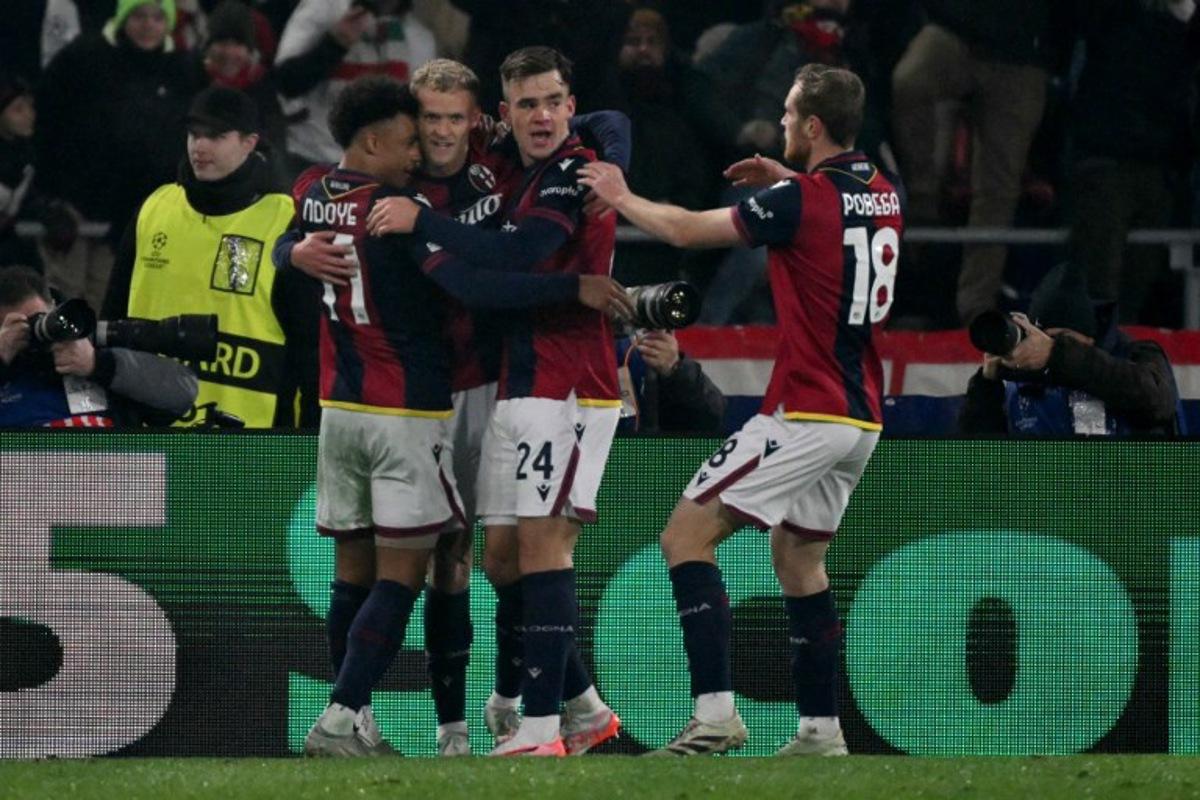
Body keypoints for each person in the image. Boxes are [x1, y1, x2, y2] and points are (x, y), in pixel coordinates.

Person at [277, 57, 631, 755]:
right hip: (424, 395)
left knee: (492, 557)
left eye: (452, 119)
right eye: (427, 120)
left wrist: (613, 166)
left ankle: (524, 708)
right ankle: (453, 729)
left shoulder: (492, 163)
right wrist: (293, 251)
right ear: (404, 124)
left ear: (479, 119)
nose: (437, 135)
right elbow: (472, 278)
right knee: (448, 559)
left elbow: (602, 124)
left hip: (485, 382)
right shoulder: (394, 197)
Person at [579, 62, 902, 756]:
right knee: (798, 560)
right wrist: (788, 183)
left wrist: (621, 194)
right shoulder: (881, 191)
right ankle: (820, 732)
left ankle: (716, 715)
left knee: (684, 537)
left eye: (789, 114)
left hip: (807, 412)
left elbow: (689, 231)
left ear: (813, 126)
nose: (781, 124)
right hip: (863, 418)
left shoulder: (798, 202)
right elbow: (831, 211)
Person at [103, 85, 299, 428]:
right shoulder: (155, 208)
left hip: (249, 438)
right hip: (146, 425)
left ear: (249, 142)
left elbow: (308, 344)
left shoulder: (284, 219)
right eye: (194, 133)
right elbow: (113, 312)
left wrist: (297, 430)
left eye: (217, 135)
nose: (200, 146)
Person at [35, 0, 199, 314]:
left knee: (105, 305)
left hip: (132, 217)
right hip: (73, 210)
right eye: (139, 15)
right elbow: (46, 124)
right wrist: (49, 198)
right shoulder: (82, 58)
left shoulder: (181, 69)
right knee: (62, 301)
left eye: (156, 17)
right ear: (123, 17)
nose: (148, 25)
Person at [958, 263, 1181, 436]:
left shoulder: (1135, 355)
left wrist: (1057, 355)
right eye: (1045, 338)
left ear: (1090, 338)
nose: (1048, 345)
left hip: (1126, 487)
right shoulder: (1019, 377)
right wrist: (987, 385)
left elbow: (1158, 401)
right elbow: (976, 464)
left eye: (1065, 339)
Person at [0, 265, 197, 427]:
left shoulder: (90, 349)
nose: (34, 333)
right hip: (22, 471)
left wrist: (97, 364)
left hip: (109, 471)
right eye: (17, 327)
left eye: (38, 320)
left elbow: (183, 392)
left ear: (53, 307)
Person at [274, 0, 437, 175]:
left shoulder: (419, 38)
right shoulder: (323, 8)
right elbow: (285, 83)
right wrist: (335, 44)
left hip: (382, 169)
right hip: (315, 157)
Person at [614, 328, 726, 435]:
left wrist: (675, 368)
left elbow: (710, 420)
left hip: (643, 450)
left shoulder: (648, 352)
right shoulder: (617, 347)